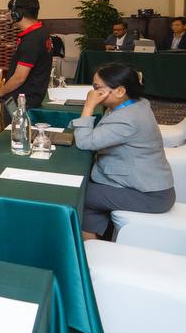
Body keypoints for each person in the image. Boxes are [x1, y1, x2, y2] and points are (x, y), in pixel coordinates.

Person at [72, 63, 174, 239]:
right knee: (89, 191)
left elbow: (84, 142)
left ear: (120, 91)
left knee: (80, 195)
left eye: (97, 88)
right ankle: (94, 242)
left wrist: (88, 107)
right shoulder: (135, 104)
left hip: (149, 196)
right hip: (140, 185)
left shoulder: (127, 119)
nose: (92, 93)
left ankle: (90, 245)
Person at [0, 0, 51, 113]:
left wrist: (0, 93)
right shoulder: (41, 31)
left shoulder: (31, 40)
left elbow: (19, 78)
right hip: (32, 97)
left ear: (17, 14)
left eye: (10, 12)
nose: (8, 15)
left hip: (23, 102)